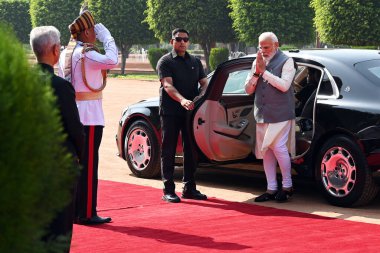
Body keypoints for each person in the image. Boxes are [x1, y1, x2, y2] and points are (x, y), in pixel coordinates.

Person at [59, 10, 118, 224]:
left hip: (73, 113)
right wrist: (107, 36)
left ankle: (74, 210)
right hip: (90, 116)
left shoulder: (67, 52)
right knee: (89, 165)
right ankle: (86, 212)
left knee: (76, 165)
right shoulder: (86, 53)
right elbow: (112, 60)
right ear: (85, 32)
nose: (95, 32)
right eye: (93, 29)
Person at [30, 25, 85, 252]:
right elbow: (75, 129)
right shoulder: (61, 87)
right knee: (59, 227)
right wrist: (79, 156)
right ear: (54, 49)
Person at [156, 28, 208, 203]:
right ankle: (168, 190)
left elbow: (204, 83)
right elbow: (168, 86)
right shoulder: (165, 61)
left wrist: (200, 97)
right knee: (168, 149)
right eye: (178, 39)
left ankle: (189, 188)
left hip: (191, 112)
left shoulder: (195, 61)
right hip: (170, 111)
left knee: (191, 150)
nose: (182, 42)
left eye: (186, 39)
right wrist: (182, 100)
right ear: (172, 42)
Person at [245, 32, 296, 202]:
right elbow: (248, 90)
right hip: (262, 113)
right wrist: (256, 74)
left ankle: (287, 186)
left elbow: (284, 86)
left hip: (281, 113)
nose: (263, 50)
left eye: (266, 47)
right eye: (260, 47)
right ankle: (271, 188)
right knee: (266, 151)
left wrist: (264, 72)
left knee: (278, 147)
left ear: (276, 44)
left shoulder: (287, 61)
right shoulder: (257, 62)